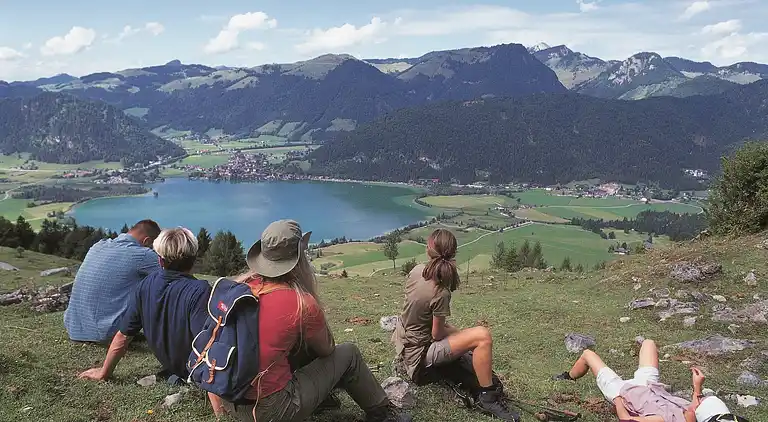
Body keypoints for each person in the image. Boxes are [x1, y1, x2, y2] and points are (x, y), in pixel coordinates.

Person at [216, 219, 412, 422]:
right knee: (349, 354)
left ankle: (321, 399)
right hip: (269, 411)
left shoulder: (237, 288)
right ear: (299, 258)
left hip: (230, 399)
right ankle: (382, 412)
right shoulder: (300, 302)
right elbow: (327, 349)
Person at [393, 228, 518, 421]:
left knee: (469, 338)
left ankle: (482, 382)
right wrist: (464, 339)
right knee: (482, 335)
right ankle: (487, 397)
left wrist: (461, 338)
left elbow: (423, 319)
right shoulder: (441, 291)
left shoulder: (417, 271)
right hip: (419, 358)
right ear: (453, 252)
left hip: (405, 344)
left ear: (429, 249)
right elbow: (436, 335)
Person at [78, 227, 211, 383]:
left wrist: (104, 372)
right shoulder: (200, 290)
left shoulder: (145, 285)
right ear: (194, 259)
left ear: (160, 260)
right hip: (194, 371)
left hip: (172, 366)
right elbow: (206, 343)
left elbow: (123, 336)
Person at [553, 339, 740, 422]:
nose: (696, 406)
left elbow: (626, 420)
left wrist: (617, 398)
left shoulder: (665, 420)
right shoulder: (692, 415)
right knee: (649, 343)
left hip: (625, 391)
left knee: (587, 354)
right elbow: (693, 410)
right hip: (650, 386)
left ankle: (568, 377)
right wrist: (697, 388)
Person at [65, 219, 162, 343]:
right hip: (107, 333)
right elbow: (171, 277)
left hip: (74, 329)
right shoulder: (143, 255)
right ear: (147, 241)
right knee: (155, 285)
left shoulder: (98, 246)